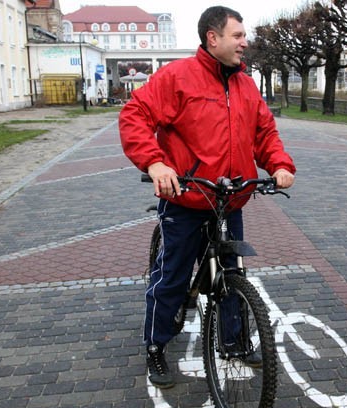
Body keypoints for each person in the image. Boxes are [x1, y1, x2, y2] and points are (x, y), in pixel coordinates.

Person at [119, 6, 296, 388]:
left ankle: (232, 342)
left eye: (244, 35)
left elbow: (264, 132)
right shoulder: (178, 77)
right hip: (185, 198)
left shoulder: (246, 84)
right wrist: (155, 164)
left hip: (229, 200)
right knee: (172, 278)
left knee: (231, 273)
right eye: (237, 35)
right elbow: (134, 115)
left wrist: (279, 164)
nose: (244, 42)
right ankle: (156, 346)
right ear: (212, 38)